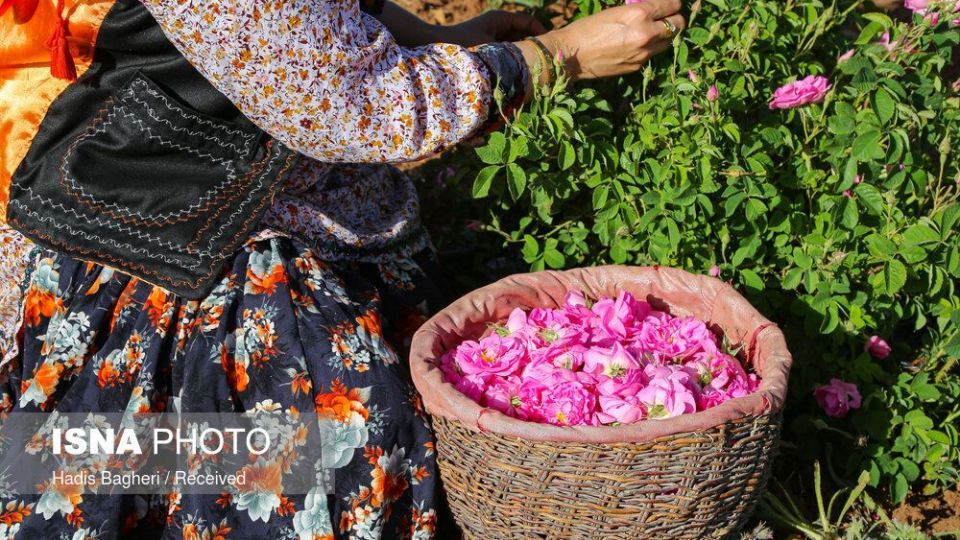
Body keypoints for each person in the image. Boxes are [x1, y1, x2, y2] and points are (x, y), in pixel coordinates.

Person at [0, 0, 685, 536]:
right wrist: (550, 59)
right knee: (324, 443)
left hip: (292, 187)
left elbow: (322, 21)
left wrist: (440, 38)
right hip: (171, 226)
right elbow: (353, 102)